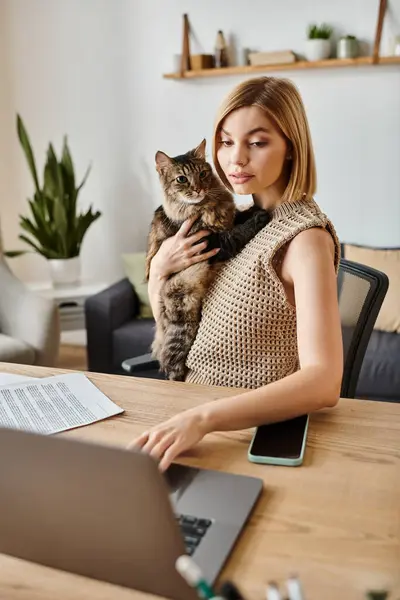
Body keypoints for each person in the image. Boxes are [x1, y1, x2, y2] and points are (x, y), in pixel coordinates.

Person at [129, 76, 343, 471]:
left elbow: (324, 381)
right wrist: (158, 271)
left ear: (292, 149)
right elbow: (182, 331)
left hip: (236, 440)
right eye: (226, 142)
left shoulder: (304, 239)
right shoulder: (238, 225)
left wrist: (203, 419)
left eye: (257, 143)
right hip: (184, 416)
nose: (236, 159)